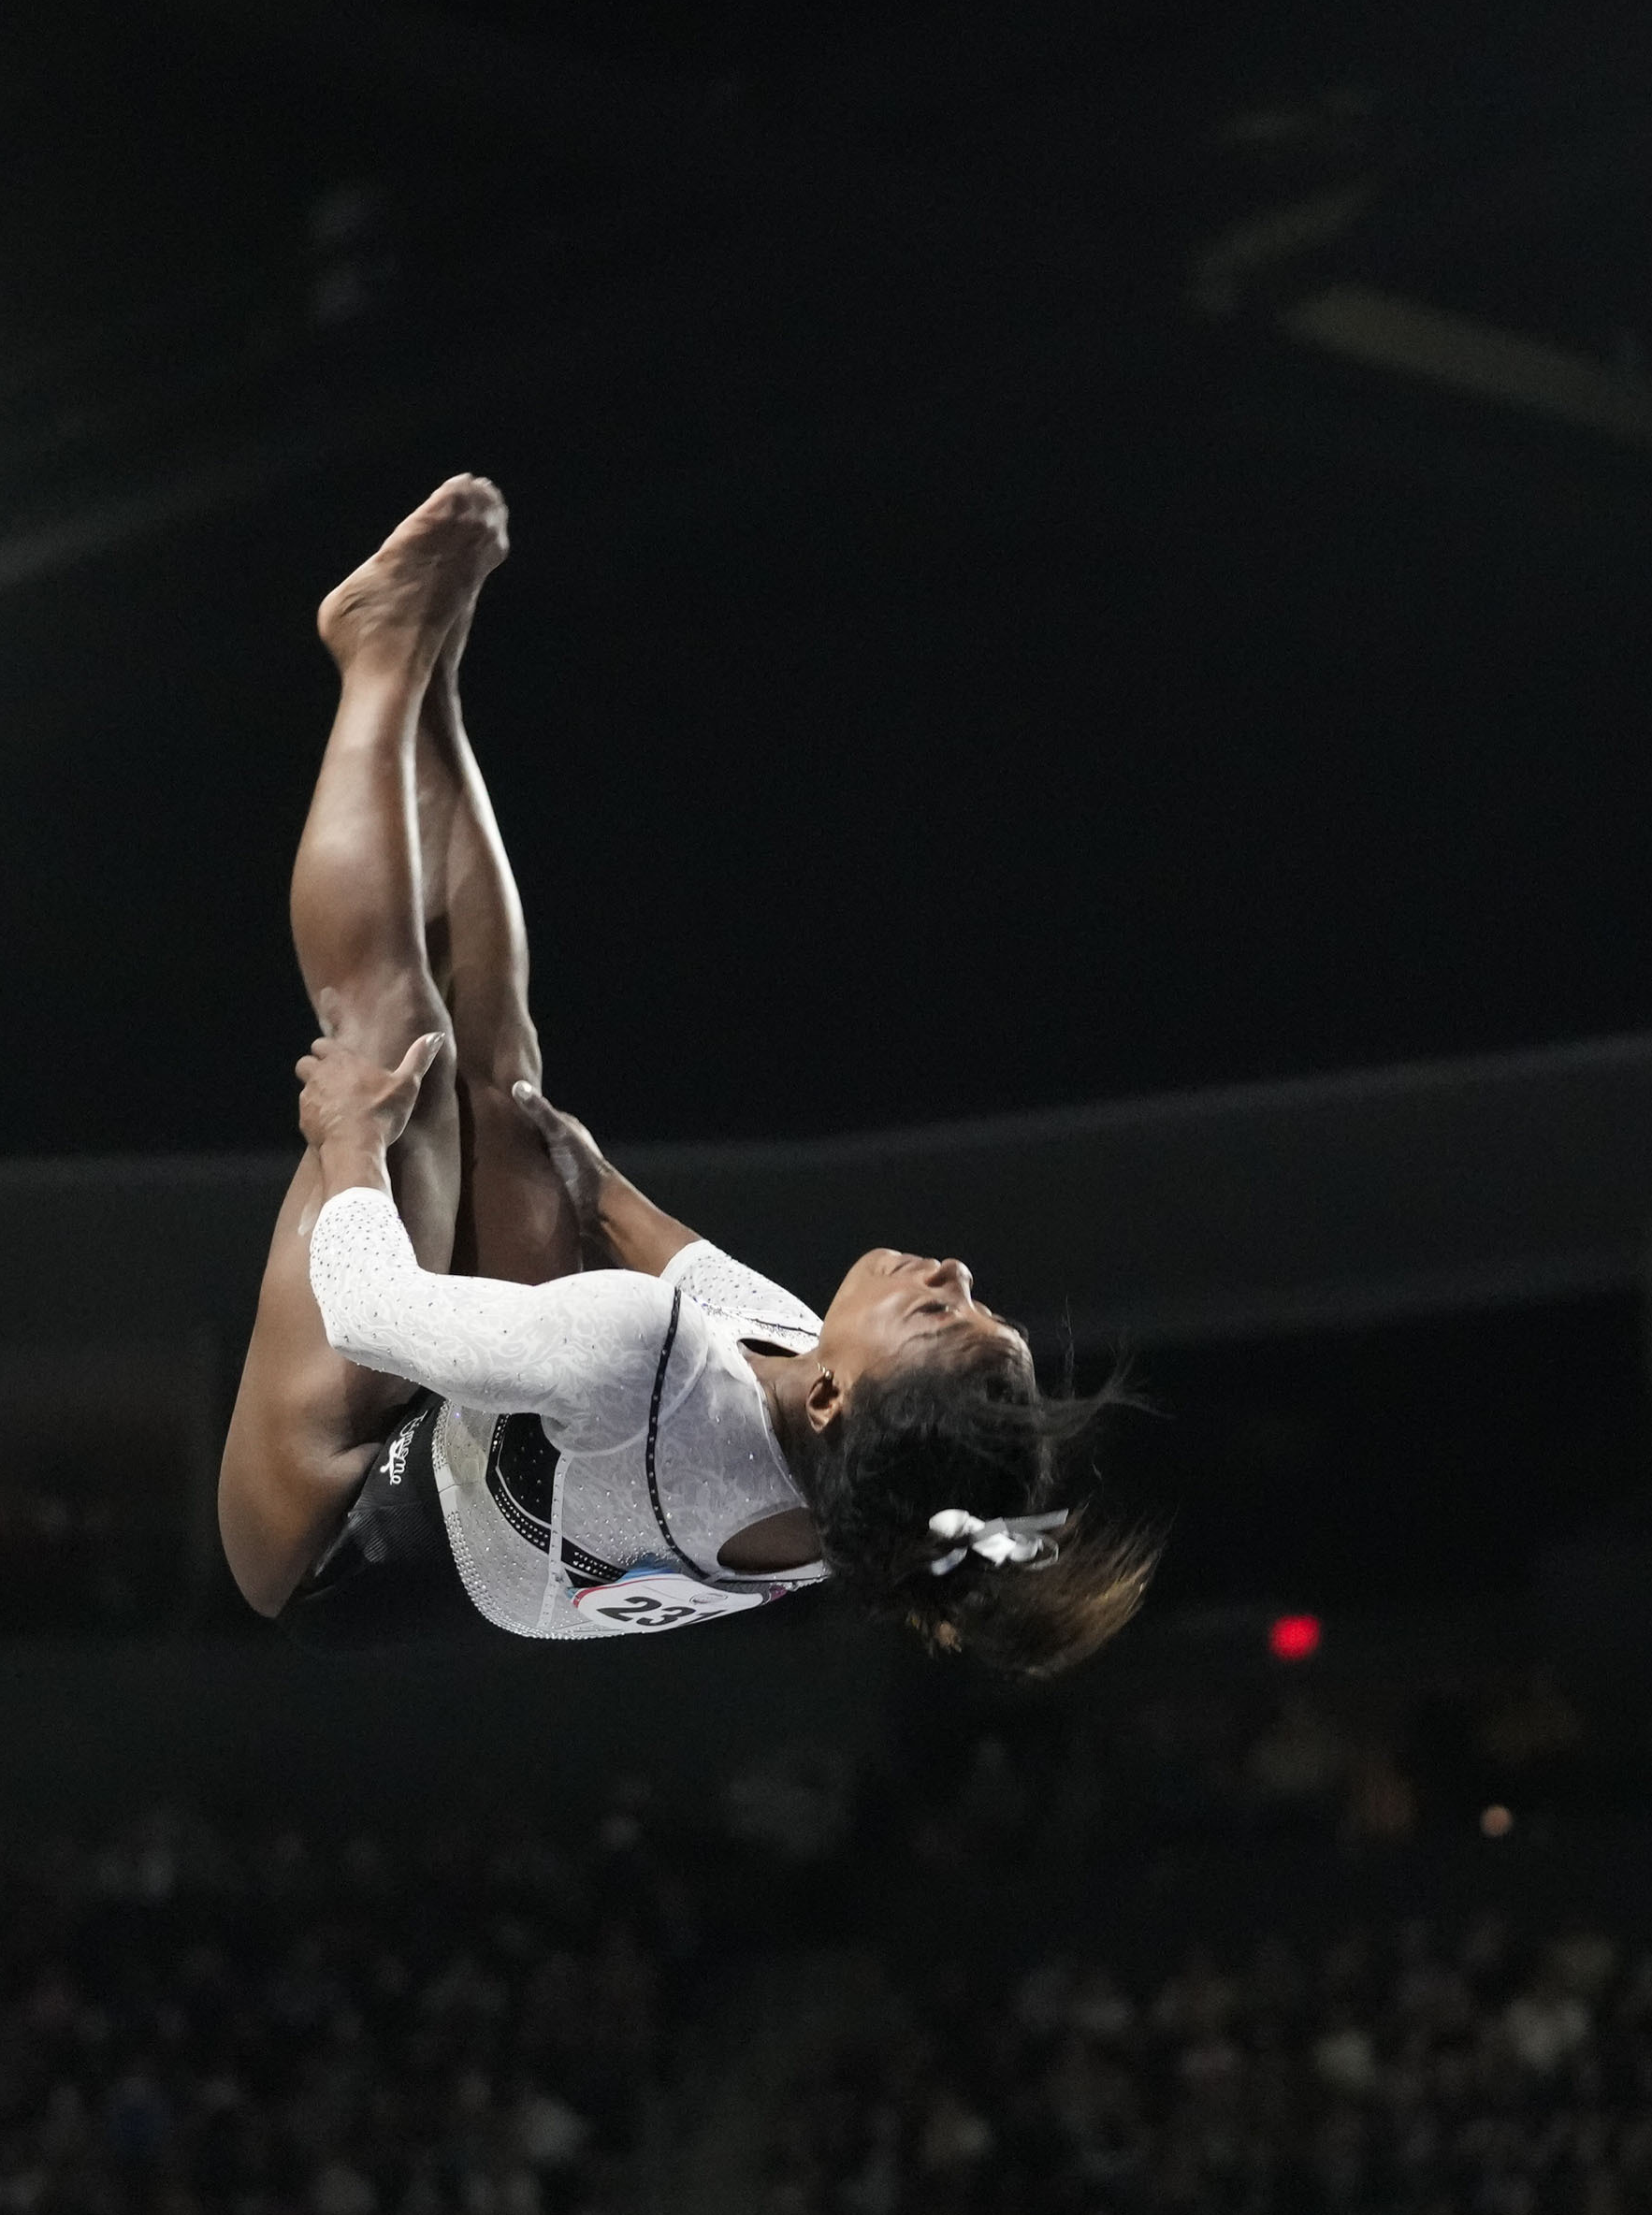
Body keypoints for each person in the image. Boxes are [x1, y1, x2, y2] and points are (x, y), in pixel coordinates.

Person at [218, 474, 1154, 1665]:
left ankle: (378, 653)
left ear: (830, 1401)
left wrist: (347, 1138)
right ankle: (436, 684)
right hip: (519, 1447)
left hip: (327, 1534)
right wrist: (582, 1172)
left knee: (391, 1050)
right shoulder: (860, 1467)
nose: (954, 1271)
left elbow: (374, 1309)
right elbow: (665, 1249)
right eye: (978, 1302)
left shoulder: (652, 1360)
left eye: (943, 1314)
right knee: (505, 1085)